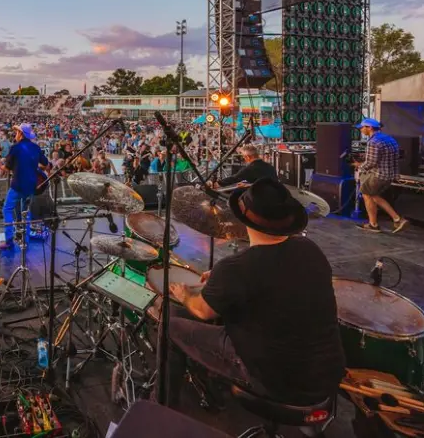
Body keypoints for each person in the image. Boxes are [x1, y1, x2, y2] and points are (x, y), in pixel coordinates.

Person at [163, 178, 345, 406]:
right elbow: (273, 278)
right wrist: (223, 280)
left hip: (274, 380)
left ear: (242, 220)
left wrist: (184, 294)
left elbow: (202, 311)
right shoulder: (311, 250)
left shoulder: (236, 268)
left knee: (171, 327)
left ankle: (162, 406)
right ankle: (213, 383)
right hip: (326, 377)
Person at [354, 118, 407, 233]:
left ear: (370, 128)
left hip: (378, 175)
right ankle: (374, 223)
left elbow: (371, 163)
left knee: (369, 195)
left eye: (362, 127)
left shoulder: (373, 142)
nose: (361, 130)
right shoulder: (390, 139)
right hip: (390, 175)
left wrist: (359, 166)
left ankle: (396, 219)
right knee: (373, 195)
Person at [1, 123, 50, 248]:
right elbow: (45, 164)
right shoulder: (35, 147)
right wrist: (33, 166)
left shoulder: (15, 148)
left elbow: (6, 168)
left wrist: (2, 166)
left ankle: (9, 240)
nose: (15, 134)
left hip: (17, 185)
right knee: (25, 213)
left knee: (7, 209)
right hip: (31, 186)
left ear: (21, 134)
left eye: (17, 132)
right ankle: (26, 240)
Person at [208, 144, 277, 188]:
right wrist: (249, 184)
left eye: (243, 157)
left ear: (247, 157)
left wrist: (217, 183)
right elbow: (272, 183)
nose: (243, 158)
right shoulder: (270, 167)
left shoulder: (250, 168)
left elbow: (235, 178)